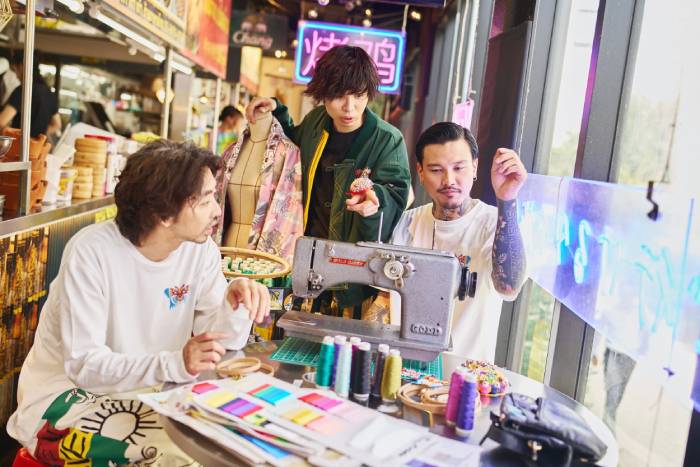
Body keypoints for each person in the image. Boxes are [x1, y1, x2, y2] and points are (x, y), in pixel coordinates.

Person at [6, 140, 270, 465]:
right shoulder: (91, 253)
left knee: (231, 445)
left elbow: (220, 345)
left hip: (151, 393)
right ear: (164, 215)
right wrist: (176, 364)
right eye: (205, 201)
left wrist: (234, 304)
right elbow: (84, 366)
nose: (217, 211)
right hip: (67, 401)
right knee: (179, 457)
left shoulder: (199, 251)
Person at [245, 45, 411, 315]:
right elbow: (292, 145)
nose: (349, 107)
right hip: (304, 259)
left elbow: (396, 194)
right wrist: (276, 110)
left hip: (354, 272)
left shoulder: (387, 140)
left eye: (358, 95)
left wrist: (376, 200)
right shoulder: (316, 122)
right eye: (337, 96)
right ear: (322, 93)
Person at [390, 122, 527, 362]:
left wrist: (507, 200)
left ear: (474, 167)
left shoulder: (494, 224)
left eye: (458, 168)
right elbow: (383, 298)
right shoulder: (406, 224)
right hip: (406, 368)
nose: (449, 180)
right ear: (420, 172)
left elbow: (509, 287)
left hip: (466, 375)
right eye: (436, 170)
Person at [0, 55, 60, 138]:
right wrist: (38, 135)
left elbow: (2, 121)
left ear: (21, 66)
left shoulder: (23, 90)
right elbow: (57, 124)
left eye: (14, 70)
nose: (16, 75)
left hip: (19, 144)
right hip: (38, 145)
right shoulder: (49, 93)